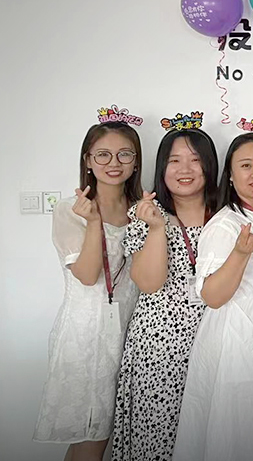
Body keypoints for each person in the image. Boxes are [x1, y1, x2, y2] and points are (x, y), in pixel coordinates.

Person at [173, 133, 253, 461]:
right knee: (240, 431)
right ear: (230, 175)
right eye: (245, 166)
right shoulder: (225, 225)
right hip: (239, 342)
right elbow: (212, 296)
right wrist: (240, 254)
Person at [34, 121, 143, 461]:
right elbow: (86, 274)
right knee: (91, 435)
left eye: (124, 154)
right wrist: (94, 221)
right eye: (103, 154)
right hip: (86, 334)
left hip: (132, 330)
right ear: (88, 160)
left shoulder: (141, 209)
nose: (114, 163)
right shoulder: (71, 209)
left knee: (109, 434)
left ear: (136, 160)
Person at [110, 127, 219, 460]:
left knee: (210, 436)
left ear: (210, 166)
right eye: (174, 160)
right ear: (161, 167)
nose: (185, 169)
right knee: (157, 438)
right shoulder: (145, 214)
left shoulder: (225, 216)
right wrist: (158, 227)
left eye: (195, 160)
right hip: (159, 348)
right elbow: (148, 282)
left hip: (215, 341)